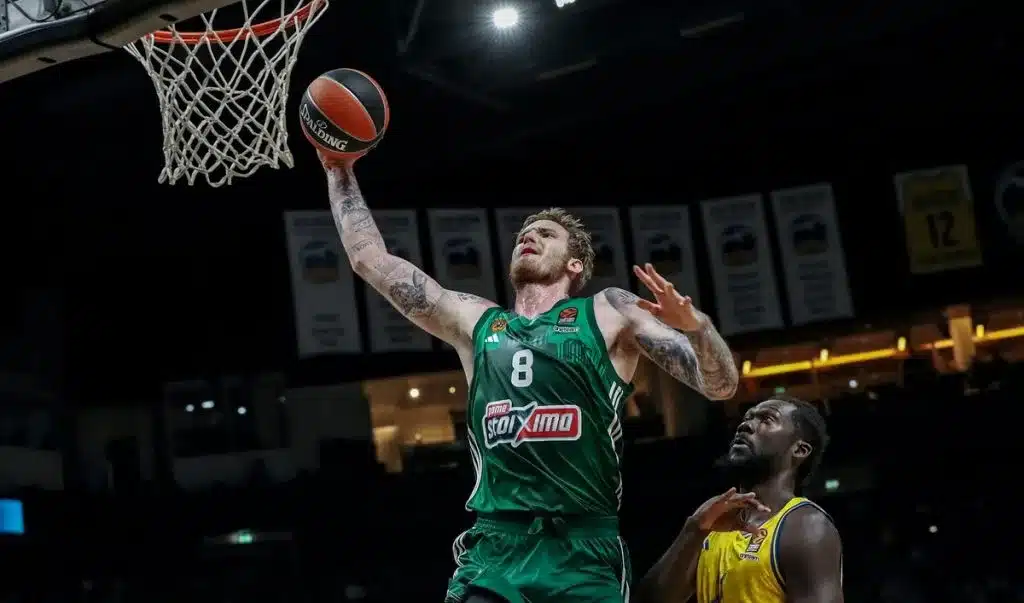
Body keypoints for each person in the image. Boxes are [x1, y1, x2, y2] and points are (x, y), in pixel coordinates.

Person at [323, 159, 740, 603]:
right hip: (496, 549)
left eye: (546, 234)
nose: (529, 236)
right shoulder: (477, 321)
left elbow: (720, 386)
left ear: (575, 263)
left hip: (582, 549)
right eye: (524, 233)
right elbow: (370, 260)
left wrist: (697, 327)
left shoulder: (607, 311)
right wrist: (338, 169)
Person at [635, 396, 843, 603]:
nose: (745, 425)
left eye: (767, 419)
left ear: (799, 450)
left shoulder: (805, 526)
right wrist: (694, 529)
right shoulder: (713, 523)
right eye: (747, 418)